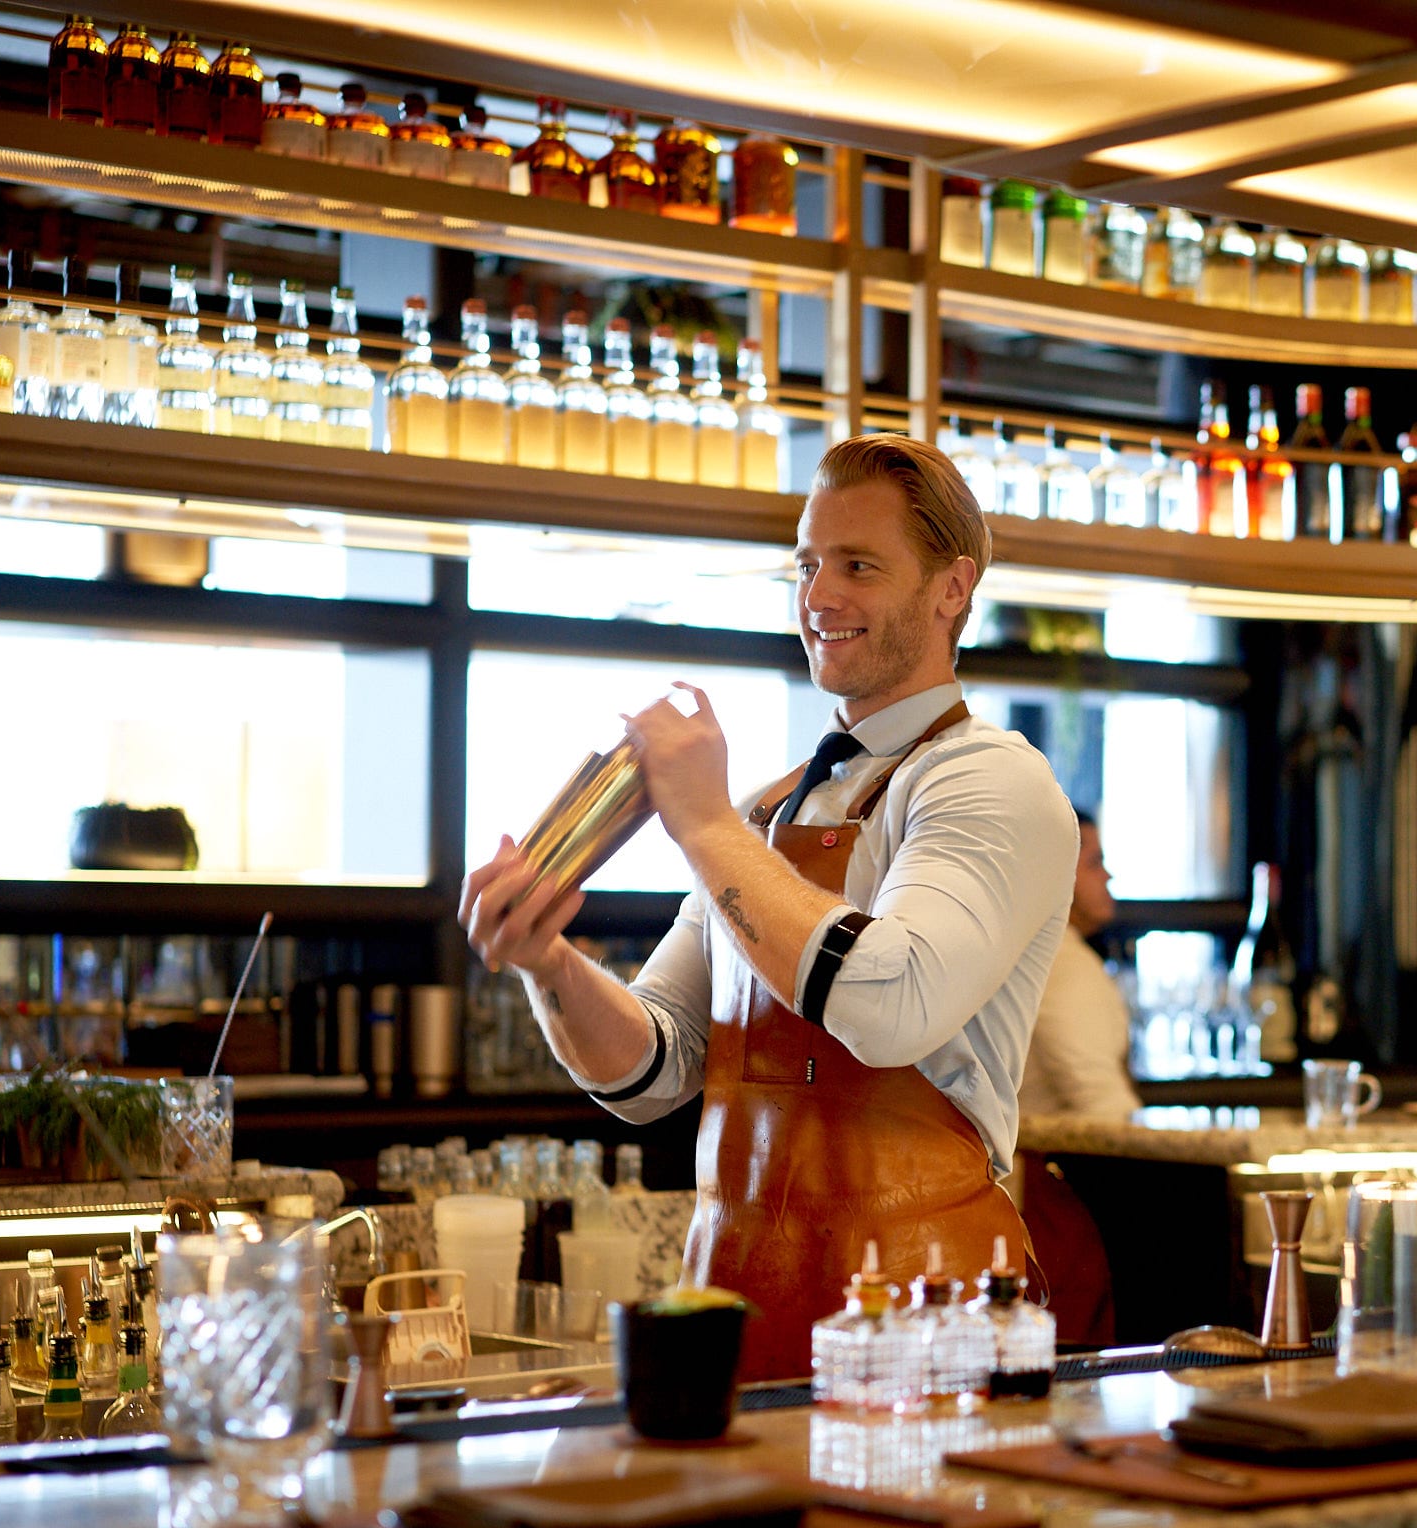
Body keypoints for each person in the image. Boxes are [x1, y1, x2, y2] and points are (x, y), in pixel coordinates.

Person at [459, 433, 1079, 1380]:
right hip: (748, 1316)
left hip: (929, 1323)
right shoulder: (764, 814)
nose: (819, 597)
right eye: (808, 565)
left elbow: (889, 1004)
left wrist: (705, 825)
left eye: (859, 566)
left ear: (953, 588)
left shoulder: (989, 780)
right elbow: (653, 1068)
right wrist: (550, 962)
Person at [1016, 810, 1141, 1122]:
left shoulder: (1035, 950)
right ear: (1057, 873)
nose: (1108, 876)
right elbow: (1100, 1100)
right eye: (1094, 863)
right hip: (1041, 1166)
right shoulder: (1062, 962)